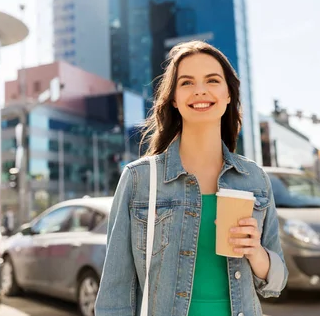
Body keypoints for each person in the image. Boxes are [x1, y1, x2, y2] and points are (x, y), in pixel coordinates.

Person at [94, 41, 288, 316]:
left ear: (229, 94)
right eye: (186, 82)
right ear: (173, 98)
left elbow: (276, 283)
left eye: (212, 80)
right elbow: (115, 295)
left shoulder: (254, 178)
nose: (200, 90)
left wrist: (256, 252)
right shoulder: (139, 179)